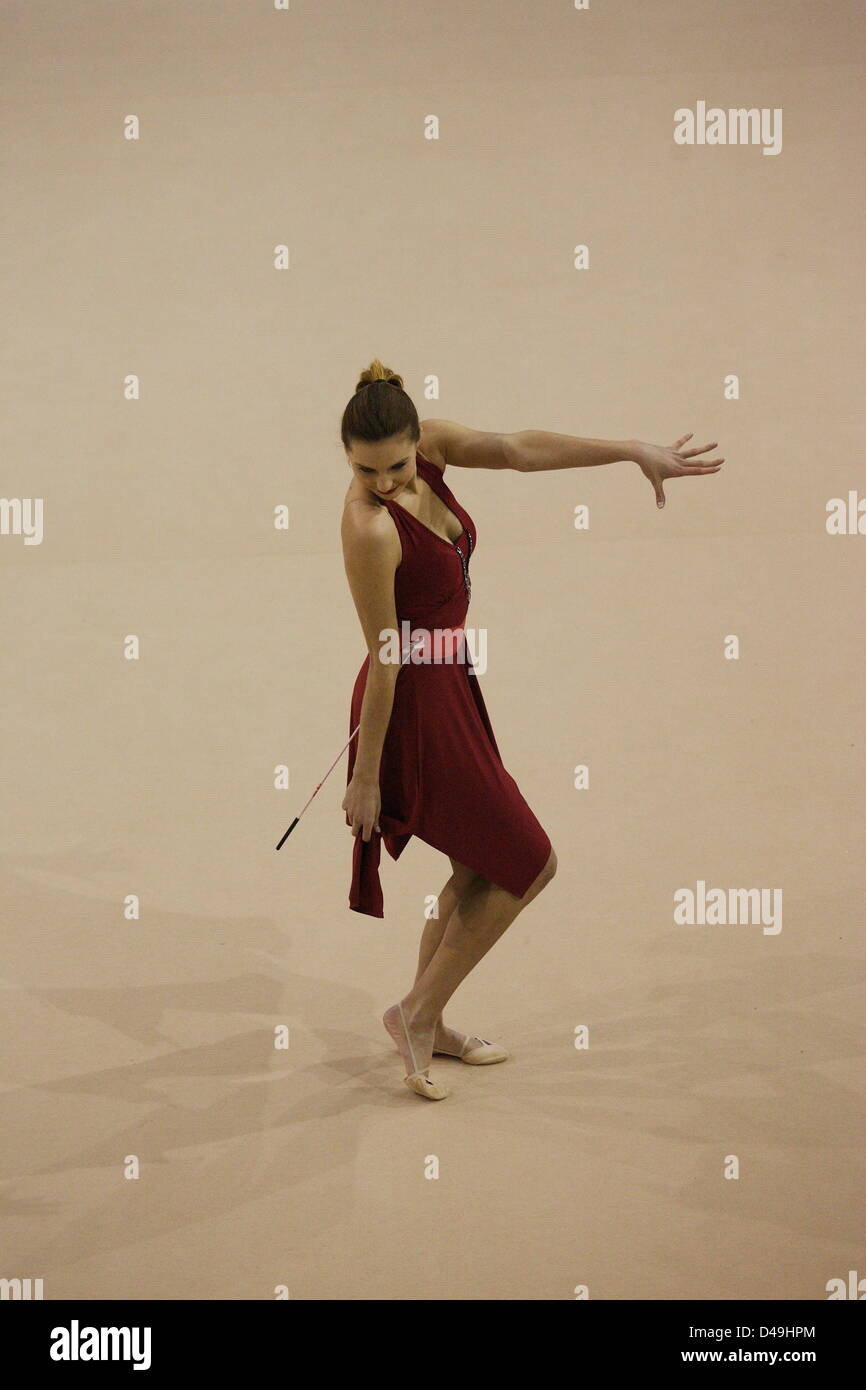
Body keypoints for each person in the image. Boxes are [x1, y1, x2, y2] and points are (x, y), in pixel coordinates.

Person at [340, 358, 724, 1099]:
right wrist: (364, 776)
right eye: (365, 471)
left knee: (477, 870)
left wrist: (631, 450)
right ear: (348, 459)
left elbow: (520, 450)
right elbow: (385, 658)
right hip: (414, 706)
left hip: (451, 685)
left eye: (394, 466)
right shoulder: (369, 528)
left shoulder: (437, 449)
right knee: (529, 861)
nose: (384, 483)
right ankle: (416, 1013)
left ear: (418, 441)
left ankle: (428, 1020)